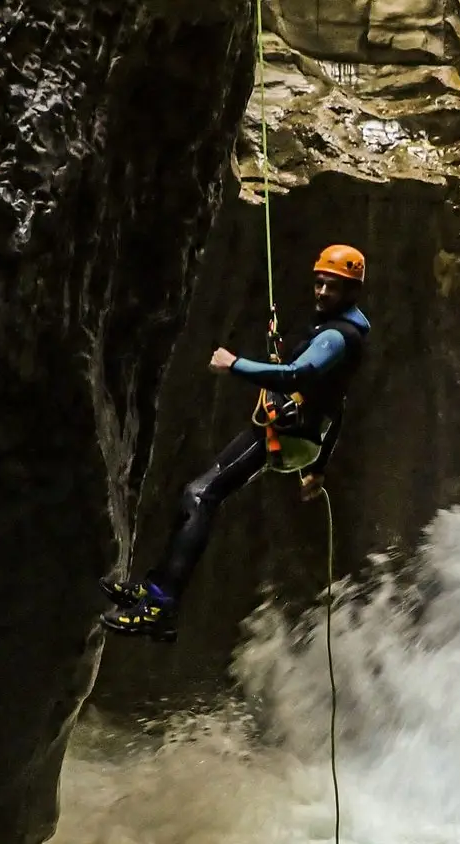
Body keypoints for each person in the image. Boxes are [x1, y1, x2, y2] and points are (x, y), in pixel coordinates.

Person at [99, 244, 373, 642]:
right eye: (319, 283)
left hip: (284, 434)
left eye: (332, 286)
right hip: (296, 436)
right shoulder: (338, 327)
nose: (321, 292)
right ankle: (156, 590)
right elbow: (336, 404)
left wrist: (234, 365)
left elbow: (298, 374)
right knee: (195, 494)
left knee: (200, 496)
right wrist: (317, 468)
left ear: (352, 291)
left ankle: (161, 605)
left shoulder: (337, 335)